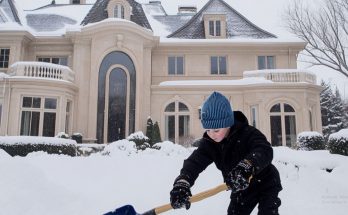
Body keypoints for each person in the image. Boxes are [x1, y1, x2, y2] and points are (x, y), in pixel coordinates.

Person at [169, 91, 282, 215]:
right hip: (239, 187)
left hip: (266, 182)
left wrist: (247, 165)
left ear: (228, 124)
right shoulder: (210, 143)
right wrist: (183, 182)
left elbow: (264, 149)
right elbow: (194, 162)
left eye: (216, 130)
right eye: (208, 129)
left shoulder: (248, 133)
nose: (211, 134)